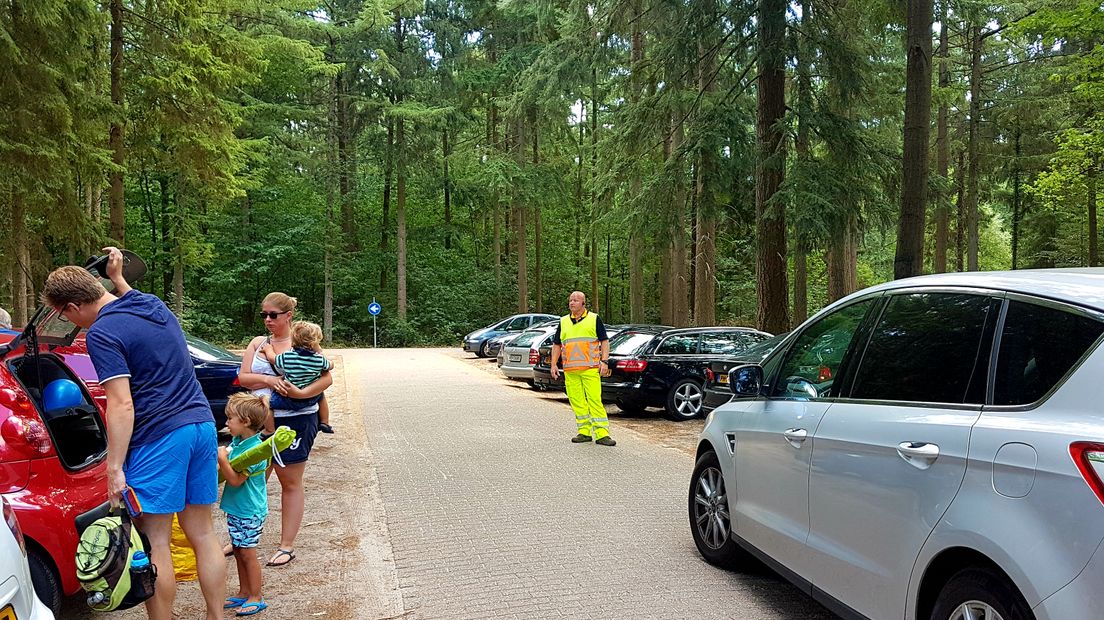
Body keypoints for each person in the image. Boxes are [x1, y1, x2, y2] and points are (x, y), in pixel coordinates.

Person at [41, 247, 226, 620]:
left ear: (73, 308)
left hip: (160, 436)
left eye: (64, 314)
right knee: (203, 533)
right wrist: (118, 275)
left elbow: (122, 405)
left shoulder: (103, 333)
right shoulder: (151, 305)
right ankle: (216, 616)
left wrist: (114, 468)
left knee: (156, 540)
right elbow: (125, 293)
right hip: (201, 425)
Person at [237, 292, 332, 568]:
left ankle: (286, 546)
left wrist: (301, 393)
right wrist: (269, 379)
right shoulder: (258, 343)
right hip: (256, 421)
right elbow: (243, 377)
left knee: (289, 482)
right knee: (251, 478)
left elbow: (326, 377)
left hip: (297, 420)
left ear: (288, 316)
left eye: (273, 315)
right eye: (263, 315)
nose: (267, 320)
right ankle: (241, 539)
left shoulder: (304, 342)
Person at [217, 393, 271, 616]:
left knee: (248, 553)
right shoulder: (239, 442)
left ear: (246, 422)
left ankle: (256, 596)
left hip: (249, 511)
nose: (227, 422)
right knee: (239, 551)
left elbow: (236, 480)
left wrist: (221, 460)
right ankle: (244, 591)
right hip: (237, 509)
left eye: (231, 418)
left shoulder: (255, 452)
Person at [550, 291, 616, 446]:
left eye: (576, 300)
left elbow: (604, 341)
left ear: (583, 303)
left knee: (594, 400)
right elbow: (557, 344)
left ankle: (602, 434)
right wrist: (553, 364)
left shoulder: (594, 319)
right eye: (570, 300)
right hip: (570, 370)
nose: (572, 303)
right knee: (576, 401)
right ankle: (584, 432)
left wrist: (604, 361)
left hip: (590, 368)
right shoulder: (564, 321)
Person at [260, 321, 334, 432]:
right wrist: (321, 354)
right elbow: (329, 366)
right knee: (321, 395)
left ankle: (269, 430)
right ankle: (325, 422)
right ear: (314, 343)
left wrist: (268, 349)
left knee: (266, 403)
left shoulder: (287, 356)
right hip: (310, 398)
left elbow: (272, 358)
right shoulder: (319, 359)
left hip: (287, 397)